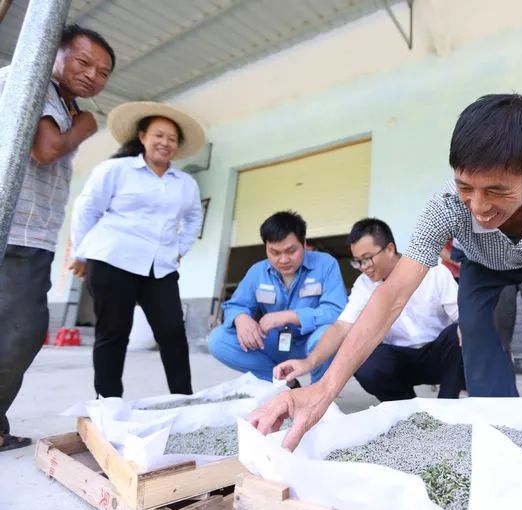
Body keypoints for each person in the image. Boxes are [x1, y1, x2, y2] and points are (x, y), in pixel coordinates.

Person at [250, 94, 522, 451]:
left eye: (495, 190)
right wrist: (323, 389)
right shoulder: (445, 205)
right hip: (481, 266)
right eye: (466, 187)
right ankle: (508, 443)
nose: (478, 206)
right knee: (477, 342)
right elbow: (391, 295)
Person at [0, 25, 115, 451]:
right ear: (55, 53)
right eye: (83, 62)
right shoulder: (34, 81)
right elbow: (46, 150)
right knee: (22, 331)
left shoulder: (61, 101)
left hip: (30, 233)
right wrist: (85, 127)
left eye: (102, 72)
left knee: (18, 331)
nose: (92, 76)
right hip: (16, 230)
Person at [70, 102, 206, 398]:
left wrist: (180, 247)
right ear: (142, 136)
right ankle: (108, 402)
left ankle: (183, 398)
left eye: (172, 139)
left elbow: (195, 217)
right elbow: (87, 209)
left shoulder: (185, 184)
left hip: (161, 267)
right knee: (113, 334)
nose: (165, 143)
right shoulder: (116, 170)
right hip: (113, 260)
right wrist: (80, 254)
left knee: (172, 332)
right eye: (159, 135)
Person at [273, 218, 465, 401]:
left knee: (459, 330)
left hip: (440, 356)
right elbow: (342, 327)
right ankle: (409, 411)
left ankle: (446, 406)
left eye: (367, 259)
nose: (363, 267)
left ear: (390, 249)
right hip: (400, 359)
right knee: (364, 360)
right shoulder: (364, 285)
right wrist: (308, 362)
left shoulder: (433, 271)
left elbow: (461, 315)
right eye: (357, 261)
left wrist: (463, 328)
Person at [208, 211, 347, 384]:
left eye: (291, 251)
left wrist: (288, 316)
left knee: (328, 334)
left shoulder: (326, 264)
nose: (283, 259)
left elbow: (336, 312)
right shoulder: (257, 272)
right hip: (273, 343)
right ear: (266, 247)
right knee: (218, 340)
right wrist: (240, 318)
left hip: (309, 342)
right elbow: (236, 305)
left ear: (303, 243)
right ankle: (284, 382)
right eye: (274, 252)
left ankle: (319, 392)